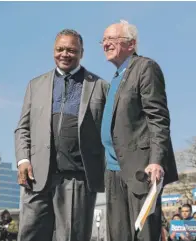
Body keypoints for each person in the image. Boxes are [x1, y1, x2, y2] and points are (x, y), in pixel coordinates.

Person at [14, 29, 108, 241]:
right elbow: (22, 128)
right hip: (36, 178)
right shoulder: (35, 85)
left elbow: (111, 133)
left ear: (82, 52)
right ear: (53, 51)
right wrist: (23, 160)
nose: (65, 54)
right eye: (60, 49)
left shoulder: (100, 87)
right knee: (30, 235)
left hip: (77, 178)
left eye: (71, 50)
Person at [100, 20, 178, 241]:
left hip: (141, 169)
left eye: (111, 39)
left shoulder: (145, 68)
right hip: (113, 170)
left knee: (144, 235)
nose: (105, 44)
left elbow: (158, 117)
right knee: (118, 235)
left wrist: (156, 160)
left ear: (131, 44)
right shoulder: (115, 78)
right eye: (103, 40)